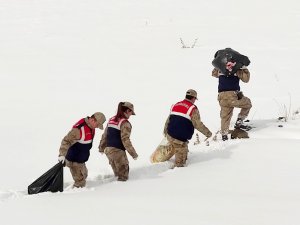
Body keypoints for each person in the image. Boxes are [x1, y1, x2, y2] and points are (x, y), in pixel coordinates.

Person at [163, 89, 212, 167]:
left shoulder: (176, 104)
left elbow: (168, 120)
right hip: (179, 139)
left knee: (180, 148)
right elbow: (198, 124)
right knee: (181, 163)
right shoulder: (192, 108)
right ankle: (177, 173)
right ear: (193, 98)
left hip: (170, 135)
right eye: (195, 99)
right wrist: (208, 133)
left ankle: (168, 155)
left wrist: (165, 132)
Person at [58, 112, 106, 188]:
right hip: (74, 160)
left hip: (81, 159)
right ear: (93, 120)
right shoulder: (79, 129)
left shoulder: (91, 126)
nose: (97, 127)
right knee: (80, 182)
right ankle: (77, 195)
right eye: (97, 125)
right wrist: (62, 155)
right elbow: (66, 141)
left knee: (85, 174)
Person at [99, 102, 138, 181]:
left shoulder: (112, 120)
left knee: (117, 175)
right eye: (131, 112)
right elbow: (125, 140)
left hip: (108, 151)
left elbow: (105, 135)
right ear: (127, 111)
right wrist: (133, 154)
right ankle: (120, 190)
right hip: (118, 152)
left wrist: (101, 147)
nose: (131, 115)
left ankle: (116, 189)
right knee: (123, 177)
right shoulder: (125, 123)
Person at [212, 65, 252, 141]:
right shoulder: (237, 70)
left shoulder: (221, 69)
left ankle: (224, 135)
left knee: (225, 117)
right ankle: (239, 121)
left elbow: (214, 74)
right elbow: (246, 79)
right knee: (248, 104)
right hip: (233, 96)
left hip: (222, 96)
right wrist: (244, 69)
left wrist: (217, 66)